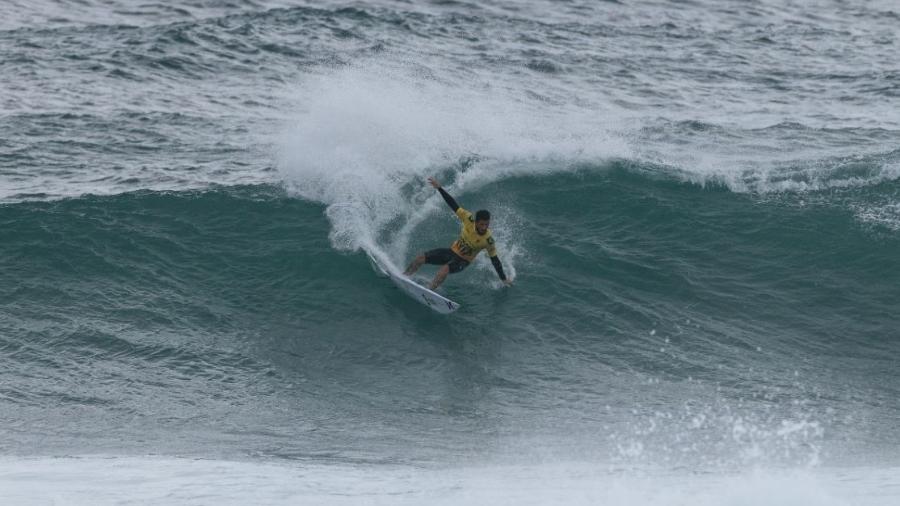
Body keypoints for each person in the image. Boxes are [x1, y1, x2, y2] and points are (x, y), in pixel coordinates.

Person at [404, 177, 513, 290]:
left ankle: (428, 292)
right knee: (421, 258)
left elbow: (495, 260)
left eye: (487, 224)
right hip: (451, 252)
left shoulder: (488, 240)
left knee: (444, 269)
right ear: (476, 221)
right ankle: (404, 277)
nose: (484, 227)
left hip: (463, 261)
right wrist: (439, 188)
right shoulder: (468, 218)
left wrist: (503, 279)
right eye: (481, 224)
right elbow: (452, 204)